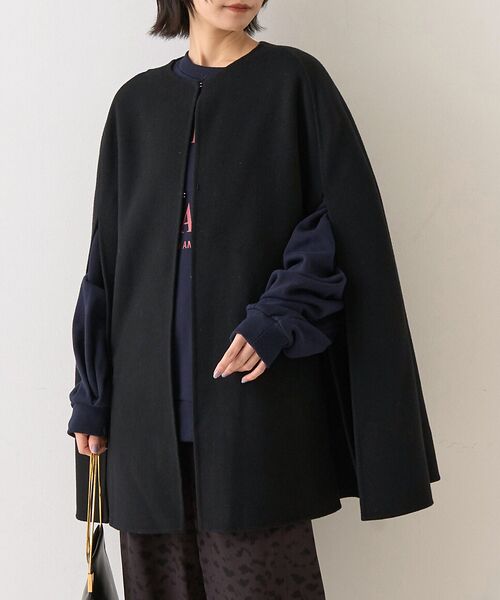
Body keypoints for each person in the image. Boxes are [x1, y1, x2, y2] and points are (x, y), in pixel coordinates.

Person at [67, 1, 440, 598]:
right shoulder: (134, 105)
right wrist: (92, 396)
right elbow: (107, 263)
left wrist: (276, 319)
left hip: (251, 414)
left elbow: (340, 226)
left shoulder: (295, 82)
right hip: (142, 430)